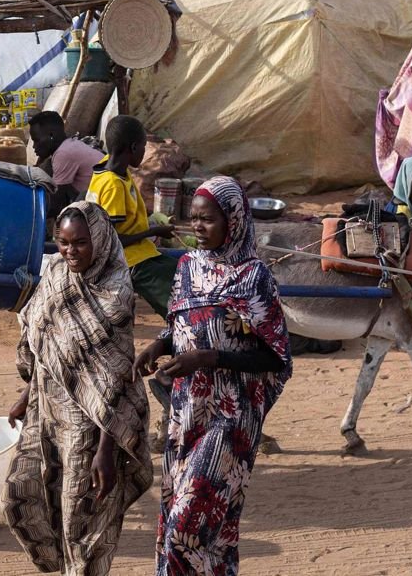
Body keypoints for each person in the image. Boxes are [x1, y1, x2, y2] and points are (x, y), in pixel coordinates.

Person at [137, 176, 291, 576]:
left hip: (231, 418)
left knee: (185, 528)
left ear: (233, 220)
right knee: (211, 533)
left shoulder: (255, 277)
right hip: (186, 412)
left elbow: (275, 356)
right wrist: (160, 345)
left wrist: (209, 358)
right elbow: (182, 323)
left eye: (208, 220)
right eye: (193, 219)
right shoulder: (187, 267)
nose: (198, 228)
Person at [3, 202, 152, 576]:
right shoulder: (54, 273)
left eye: (80, 243)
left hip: (91, 426)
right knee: (20, 495)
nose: (71, 251)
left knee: (82, 520)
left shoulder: (115, 293)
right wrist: (26, 397)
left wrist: (106, 450)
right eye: (63, 242)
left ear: (99, 241)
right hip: (48, 411)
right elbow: (41, 339)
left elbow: (116, 377)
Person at [86, 115, 175, 316]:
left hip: (141, 252)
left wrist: (153, 221)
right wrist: (153, 231)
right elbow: (112, 241)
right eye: (144, 147)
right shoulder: (113, 186)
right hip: (129, 260)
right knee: (176, 294)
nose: (145, 153)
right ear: (133, 148)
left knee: (182, 268)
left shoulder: (110, 166)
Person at [29, 111, 104, 215]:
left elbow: (56, 203)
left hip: (102, 208)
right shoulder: (69, 145)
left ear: (51, 135)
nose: (34, 146)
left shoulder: (63, 154)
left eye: (36, 140)